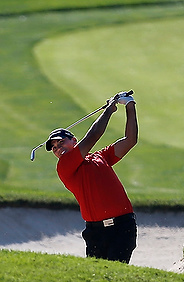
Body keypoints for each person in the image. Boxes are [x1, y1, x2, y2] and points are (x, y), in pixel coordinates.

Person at [46, 92, 138, 262]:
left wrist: (130, 106)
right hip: (96, 233)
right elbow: (94, 135)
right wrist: (109, 110)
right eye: (54, 148)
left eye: (61, 142)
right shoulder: (64, 166)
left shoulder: (100, 157)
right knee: (100, 280)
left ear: (74, 140)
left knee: (115, 274)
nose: (58, 148)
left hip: (123, 227)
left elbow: (130, 140)